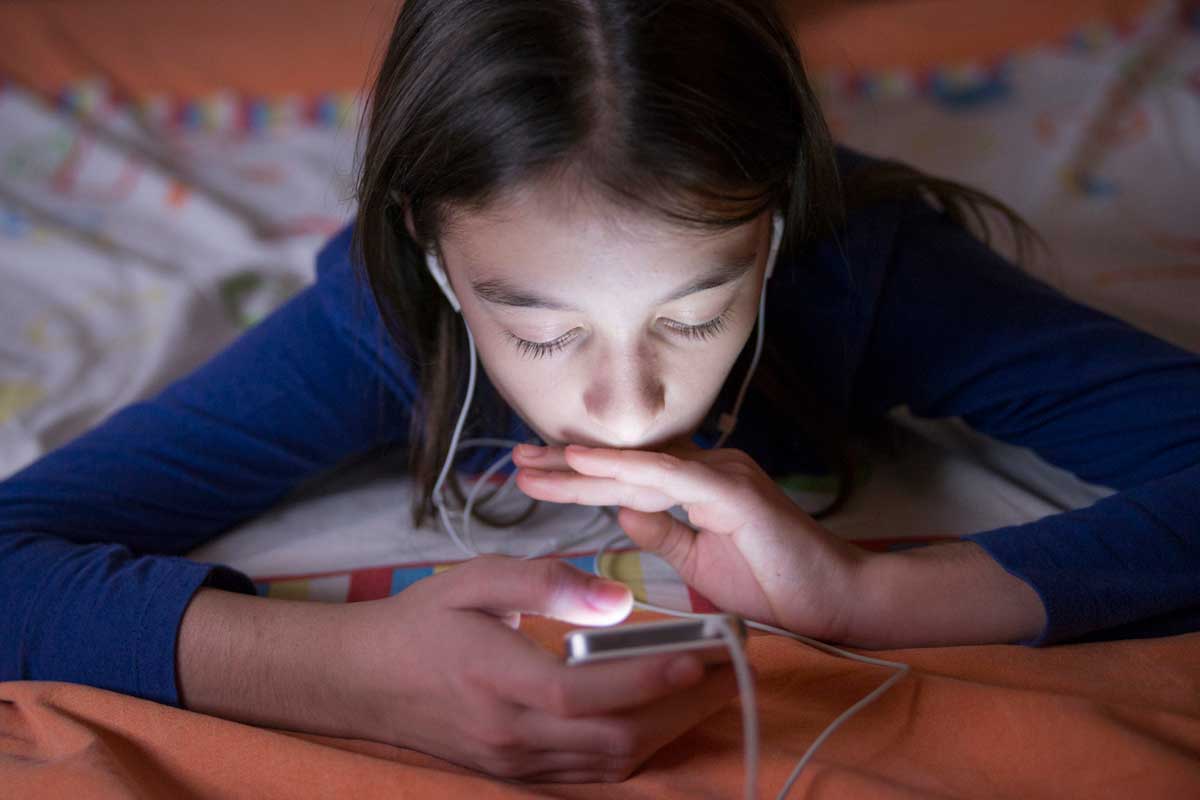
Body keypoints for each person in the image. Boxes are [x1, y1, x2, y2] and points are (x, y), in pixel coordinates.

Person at [2, 0, 1198, 786]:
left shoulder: (866, 271)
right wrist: (344, 667)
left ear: (774, 240)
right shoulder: (383, 320)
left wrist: (875, 594)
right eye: (538, 324)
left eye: (693, 311)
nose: (626, 401)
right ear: (434, 258)